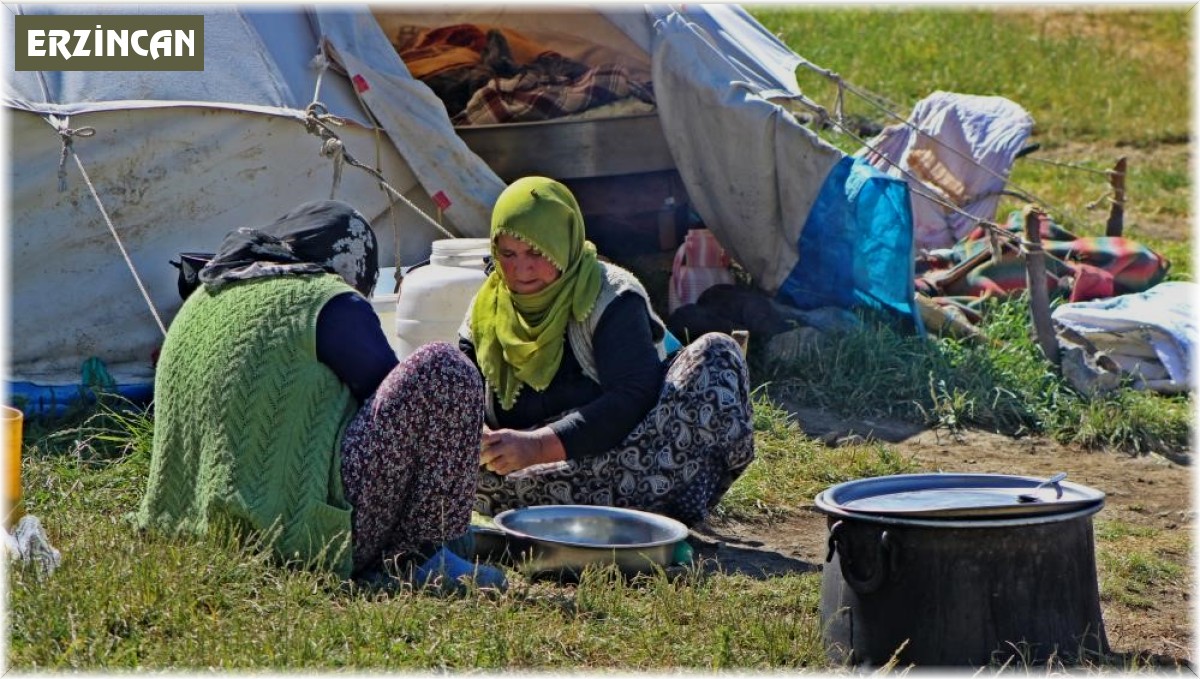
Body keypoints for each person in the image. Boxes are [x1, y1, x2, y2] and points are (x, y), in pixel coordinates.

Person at [135, 200, 505, 593]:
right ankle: (417, 556)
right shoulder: (327, 300)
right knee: (444, 369)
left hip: (194, 527)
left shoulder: (208, 293)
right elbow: (400, 411)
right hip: (298, 537)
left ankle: (440, 542)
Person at [460, 177, 755, 526]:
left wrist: (537, 446)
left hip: (634, 458)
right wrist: (480, 436)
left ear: (564, 246)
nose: (521, 270)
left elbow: (633, 397)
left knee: (717, 354)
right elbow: (460, 389)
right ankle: (598, 514)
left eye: (537, 253)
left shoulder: (609, 296)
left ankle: (649, 511)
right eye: (508, 254)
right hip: (529, 477)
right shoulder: (485, 311)